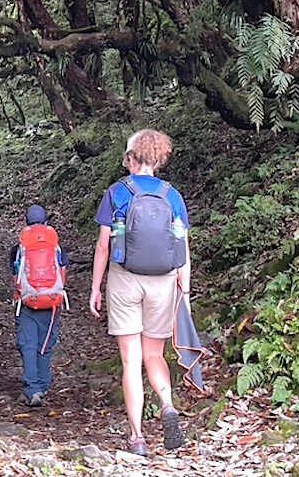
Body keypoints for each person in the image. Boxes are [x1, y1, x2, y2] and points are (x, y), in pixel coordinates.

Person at [89, 129, 190, 456]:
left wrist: (95, 287)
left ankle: (137, 438)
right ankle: (168, 405)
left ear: (131, 159)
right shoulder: (172, 195)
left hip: (125, 279)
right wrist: (185, 291)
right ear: (158, 160)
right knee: (154, 355)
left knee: (131, 361)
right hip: (163, 281)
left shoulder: (117, 191)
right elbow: (183, 248)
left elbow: (103, 246)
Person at [11, 204, 67, 406]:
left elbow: (16, 276)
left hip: (26, 302)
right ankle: (43, 385)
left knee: (28, 345)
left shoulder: (19, 248)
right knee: (45, 345)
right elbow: (62, 274)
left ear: (26, 223)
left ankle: (32, 389)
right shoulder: (56, 246)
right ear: (46, 222)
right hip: (51, 303)